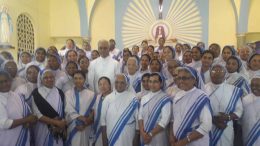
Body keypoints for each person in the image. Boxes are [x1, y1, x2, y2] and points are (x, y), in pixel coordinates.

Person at [169, 67, 212, 146]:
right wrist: (171, 136)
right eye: (179, 78)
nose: (181, 81)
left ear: (194, 80)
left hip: (196, 142)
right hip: (177, 140)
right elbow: (173, 119)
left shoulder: (201, 96)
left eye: (185, 78)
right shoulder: (178, 95)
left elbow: (206, 125)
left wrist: (184, 141)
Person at [204, 64, 243, 146]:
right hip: (207, 126)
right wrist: (213, 120)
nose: (217, 74)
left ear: (225, 75)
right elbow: (199, 111)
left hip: (226, 126)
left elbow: (239, 110)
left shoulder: (233, 90)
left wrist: (228, 117)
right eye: (215, 72)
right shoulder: (203, 89)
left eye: (220, 73)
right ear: (210, 74)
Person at [0, 70, 37, 146]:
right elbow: (5, 124)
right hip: (6, 139)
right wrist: (26, 120)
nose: (4, 84)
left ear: (11, 81)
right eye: (1, 82)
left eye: (6, 81)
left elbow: (29, 113)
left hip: (23, 137)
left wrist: (29, 120)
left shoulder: (17, 96)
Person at [101, 74, 139, 146]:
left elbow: (138, 120)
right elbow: (103, 122)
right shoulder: (107, 99)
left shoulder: (133, 98)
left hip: (128, 136)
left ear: (126, 84)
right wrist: (104, 139)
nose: (119, 85)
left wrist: (136, 137)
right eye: (117, 82)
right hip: (111, 136)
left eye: (122, 82)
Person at [31, 69, 67, 146]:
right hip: (42, 129)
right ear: (41, 79)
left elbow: (64, 111)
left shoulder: (60, 92)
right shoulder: (36, 93)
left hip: (59, 128)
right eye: (46, 78)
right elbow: (37, 115)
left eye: (51, 77)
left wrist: (61, 123)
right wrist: (56, 122)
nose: (49, 79)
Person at [139, 73, 172, 146]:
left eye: (155, 82)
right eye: (150, 81)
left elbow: (165, 120)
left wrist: (150, 134)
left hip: (158, 136)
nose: (152, 84)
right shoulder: (144, 98)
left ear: (161, 83)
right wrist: (142, 132)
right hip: (144, 135)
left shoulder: (165, 98)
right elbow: (140, 116)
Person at [65, 71, 96, 146]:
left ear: (84, 79)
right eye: (75, 78)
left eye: (80, 78)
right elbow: (68, 109)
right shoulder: (68, 93)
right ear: (73, 80)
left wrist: (86, 123)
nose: (78, 80)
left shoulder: (91, 94)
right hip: (73, 125)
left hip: (86, 127)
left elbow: (93, 110)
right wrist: (81, 118)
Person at [91, 77, 112, 146]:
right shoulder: (97, 97)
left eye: (105, 84)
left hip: (109, 129)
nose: (102, 86)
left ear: (110, 85)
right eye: (100, 84)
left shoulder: (114, 97)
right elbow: (94, 112)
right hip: (97, 129)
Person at [241, 76, 260, 146]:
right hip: (248, 131)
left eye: (258, 85)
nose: (254, 88)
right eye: (252, 85)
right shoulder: (245, 99)